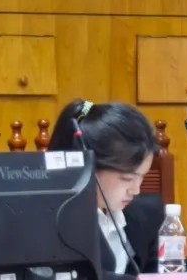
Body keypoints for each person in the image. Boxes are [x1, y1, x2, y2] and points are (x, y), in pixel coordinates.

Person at [47, 99, 166, 280]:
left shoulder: (149, 214)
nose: (136, 190)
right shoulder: (55, 225)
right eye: (127, 178)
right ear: (89, 167)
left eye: (143, 176)